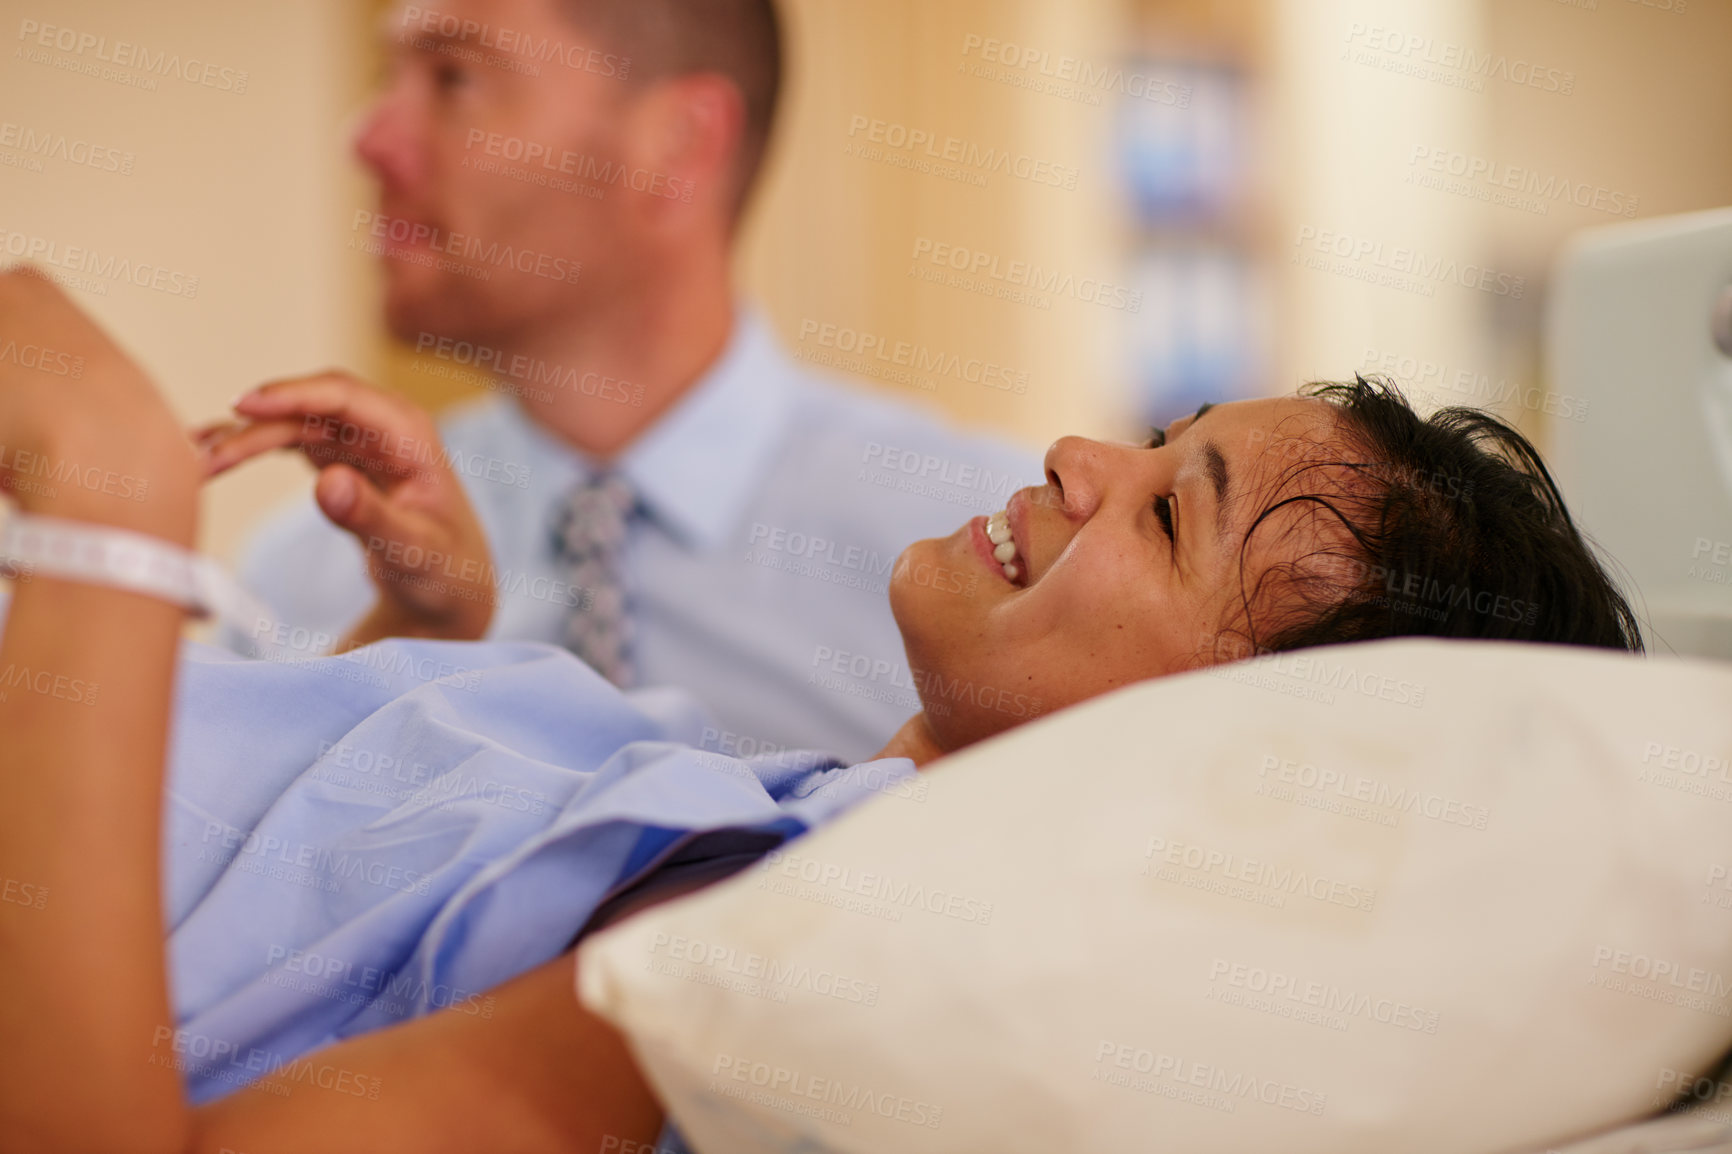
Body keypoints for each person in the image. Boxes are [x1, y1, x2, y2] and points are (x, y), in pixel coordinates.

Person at [0, 271, 1639, 1152]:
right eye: (1164, 434)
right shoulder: (755, 808)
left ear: (1220, 755)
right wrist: (411, 637)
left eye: (1163, 514)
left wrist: (108, 521)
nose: (1081, 454)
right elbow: (266, 926)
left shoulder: (777, 940)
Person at [202, 0, 1041, 764]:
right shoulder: (302, 582)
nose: (369, 136)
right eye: (391, 77)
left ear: (680, 143)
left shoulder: (987, 567)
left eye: (454, 75)